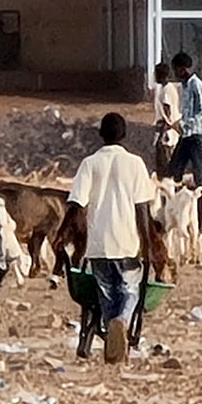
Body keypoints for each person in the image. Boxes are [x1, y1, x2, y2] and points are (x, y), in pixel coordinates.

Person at [67, 112, 154, 365]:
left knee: (106, 294)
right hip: (127, 242)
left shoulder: (89, 163)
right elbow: (142, 209)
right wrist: (147, 243)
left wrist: (72, 240)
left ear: (100, 134)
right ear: (124, 134)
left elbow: (77, 205)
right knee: (129, 291)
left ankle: (112, 338)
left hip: (99, 245)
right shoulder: (135, 164)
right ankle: (122, 323)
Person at [166, 52, 202, 197]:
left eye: (176, 70)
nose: (175, 74)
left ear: (182, 69)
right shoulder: (184, 86)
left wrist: (183, 123)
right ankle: (176, 199)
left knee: (200, 174)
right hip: (187, 134)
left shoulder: (196, 85)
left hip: (197, 134)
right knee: (174, 168)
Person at [150, 62, 182, 178]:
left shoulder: (167, 90)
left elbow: (167, 108)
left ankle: (168, 178)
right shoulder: (164, 88)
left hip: (168, 128)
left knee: (166, 155)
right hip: (168, 126)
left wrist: (166, 125)